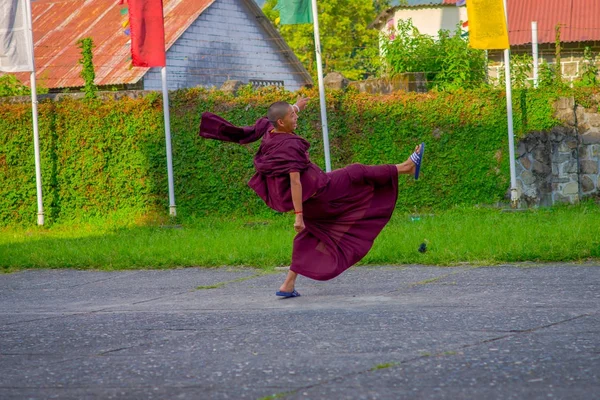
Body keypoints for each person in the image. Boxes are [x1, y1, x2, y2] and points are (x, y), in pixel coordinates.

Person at [199, 98, 424, 298]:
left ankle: (287, 284)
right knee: (357, 172)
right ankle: (405, 167)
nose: (296, 118)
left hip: (312, 197)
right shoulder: (289, 146)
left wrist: (297, 105)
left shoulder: (270, 129)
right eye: (293, 116)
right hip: (321, 192)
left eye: (295, 113)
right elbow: (295, 182)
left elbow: (278, 116)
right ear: (281, 122)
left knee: (308, 236)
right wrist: (299, 216)